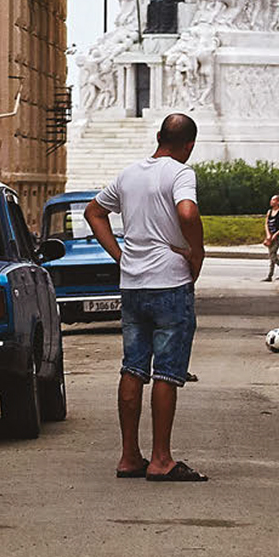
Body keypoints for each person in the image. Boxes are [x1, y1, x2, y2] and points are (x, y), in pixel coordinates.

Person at [86, 112, 208, 482]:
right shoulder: (180, 173)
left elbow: (95, 213)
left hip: (133, 284)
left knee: (133, 368)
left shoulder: (129, 174)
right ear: (189, 145)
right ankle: (160, 459)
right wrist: (196, 251)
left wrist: (121, 255)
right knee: (167, 373)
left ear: (157, 136)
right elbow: (187, 211)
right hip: (169, 282)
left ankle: (128, 456)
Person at [263, 194, 279, 281]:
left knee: (272, 254)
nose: (271, 201)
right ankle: (270, 275)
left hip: (278, 237)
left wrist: (276, 234)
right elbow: (266, 223)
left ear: (278, 202)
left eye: (273, 200)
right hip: (270, 236)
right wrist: (268, 234)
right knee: (272, 256)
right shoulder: (269, 212)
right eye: (271, 200)